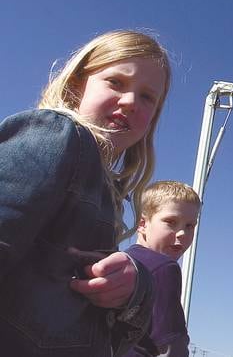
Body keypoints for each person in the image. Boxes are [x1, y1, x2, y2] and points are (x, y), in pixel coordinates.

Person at [0, 30, 172, 356]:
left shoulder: (109, 194)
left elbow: (116, 340)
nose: (131, 101)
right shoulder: (57, 134)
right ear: (79, 84)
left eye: (148, 97)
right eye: (116, 82)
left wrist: (134, 288)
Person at [123, 181, 200, 357]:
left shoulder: (121, 262)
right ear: (142, 223)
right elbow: (171, 346)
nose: (182, 233)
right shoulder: (164, 268)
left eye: (190, 226)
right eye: (171, 222)